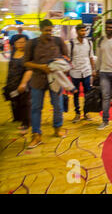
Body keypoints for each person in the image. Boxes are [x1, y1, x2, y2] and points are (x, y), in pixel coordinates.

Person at [24, 19, 68, 148]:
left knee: (58, 105)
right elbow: (26, 62)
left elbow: (66, 56)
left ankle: (58, 128)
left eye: (50, 30)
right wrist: (41, 67)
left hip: (55, 79)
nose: (49, 33)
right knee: (36, 108)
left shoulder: (58, 41)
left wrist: (61, 63)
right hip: (38, 80)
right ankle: (36, 135)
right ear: (40, 30)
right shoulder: (32, 44)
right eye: (46, 30)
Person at [68, 24, 96, 123]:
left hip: (86, 71)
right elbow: (67, 58)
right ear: (77, 32)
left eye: (84, 31)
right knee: (76, 94)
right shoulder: (71, 44)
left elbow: (91, 57)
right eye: (81, 31)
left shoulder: (89, 42)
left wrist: (93, 70)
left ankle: (86, 113)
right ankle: (77, 113)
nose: (83, 33)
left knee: (87, 93)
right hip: (75, 72)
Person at [5, 35, 32, 134]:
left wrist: (23, 83)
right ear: (14, 43)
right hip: (12, 82)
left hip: (23, 82)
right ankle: (18, 119)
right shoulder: (13, 53)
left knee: (25, 103)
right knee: (15, 101)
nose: (21, 44)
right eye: (18, 42)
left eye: (23, 42)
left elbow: (29, 70)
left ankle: (26, 123)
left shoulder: (28, 54)